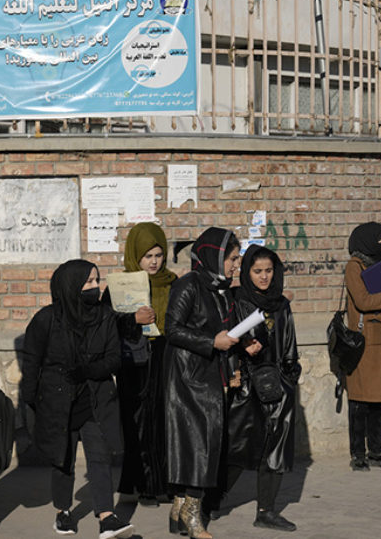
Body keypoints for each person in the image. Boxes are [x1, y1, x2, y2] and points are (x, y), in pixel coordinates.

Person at [21, 259, 134, 539]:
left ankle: (107, 517)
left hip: (94, 398)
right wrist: (33, 400)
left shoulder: (105, 316)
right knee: (63, 458)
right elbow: (32, 362)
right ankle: (63, 512)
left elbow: (113, 359)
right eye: (89, 282)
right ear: (72, 285)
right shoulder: (46, 320)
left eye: (97, 280)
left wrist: (88, 370)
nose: (96, 287)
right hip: (58, 401)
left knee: (99, 456)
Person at [164, 227, 241, 539]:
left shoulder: (219, 287)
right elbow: (172, 328)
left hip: (209, 375)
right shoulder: (189, 285)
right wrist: (212, 341)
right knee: (198, 446)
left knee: (198, 444)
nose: (236, 265)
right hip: (188, 378)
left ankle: (178, 511)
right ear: (216, 255)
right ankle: (192, 518)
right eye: (233, 259)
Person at [220, 245, 302, 531]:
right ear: (247, 272)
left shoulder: (281, 304)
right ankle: (208, 504)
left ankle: (266, 510)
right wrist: (242, 354)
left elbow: (290, 347)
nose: (264, 277)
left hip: (278, 388)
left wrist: (289, 381)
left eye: (269, 271)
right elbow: (226, 341)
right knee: (237, 448)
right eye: (257, 271)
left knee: (275, 451)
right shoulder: (237, 300)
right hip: (246, 386)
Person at [110, 222, 177, 507]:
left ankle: (162, 484)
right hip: (132, 363)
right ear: (135, 255)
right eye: (147, 255)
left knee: (163, 422)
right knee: (134, 423)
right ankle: (135, 484)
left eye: (158, 255)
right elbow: (105, 325)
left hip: (164, 359)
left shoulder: (173, 284)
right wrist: (131, 320)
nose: (153, 261)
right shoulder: (118, 287)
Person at [343, 222, 381, 471]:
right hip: (364, 345)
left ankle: (376, 451)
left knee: (379, 401)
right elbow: (363, 301)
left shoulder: (375, 264)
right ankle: (358, 454)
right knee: (360, 401)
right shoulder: (355, 266)